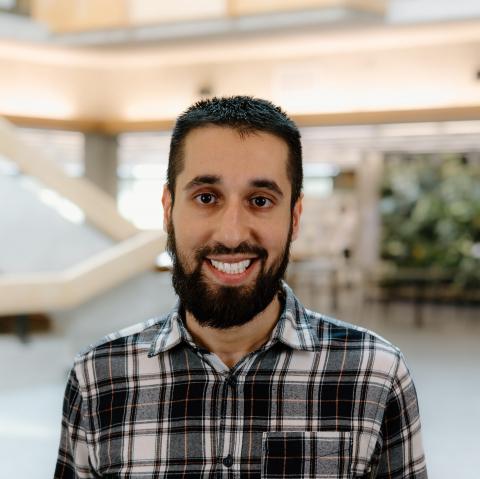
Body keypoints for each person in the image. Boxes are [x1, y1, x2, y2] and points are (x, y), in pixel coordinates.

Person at [55, 96, 427, 478]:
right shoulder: (98, 377)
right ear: (168, 209)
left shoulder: (375, 375)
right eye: (206, 197)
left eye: (261, 200)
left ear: (294, 218)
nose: (232, 233)